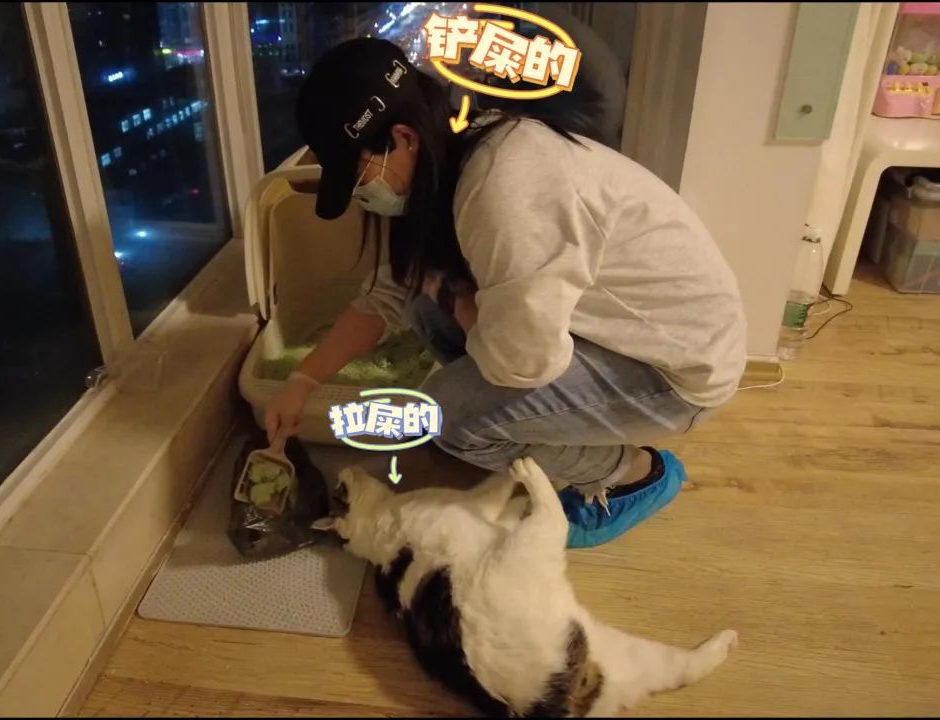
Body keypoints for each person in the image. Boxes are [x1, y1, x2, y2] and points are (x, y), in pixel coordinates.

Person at [265, 37, 746, 548]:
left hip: (677, 368)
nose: (362, 192)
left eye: (358, 173)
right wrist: (301, 382)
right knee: (422, 300)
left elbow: (523, 362)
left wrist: (450, 297)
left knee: (448, 418)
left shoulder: (507, 188)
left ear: (403, 138)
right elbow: (389, 291)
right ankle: (525, 425)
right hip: (611, 334)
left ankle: (632, 475)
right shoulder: (456, 153)